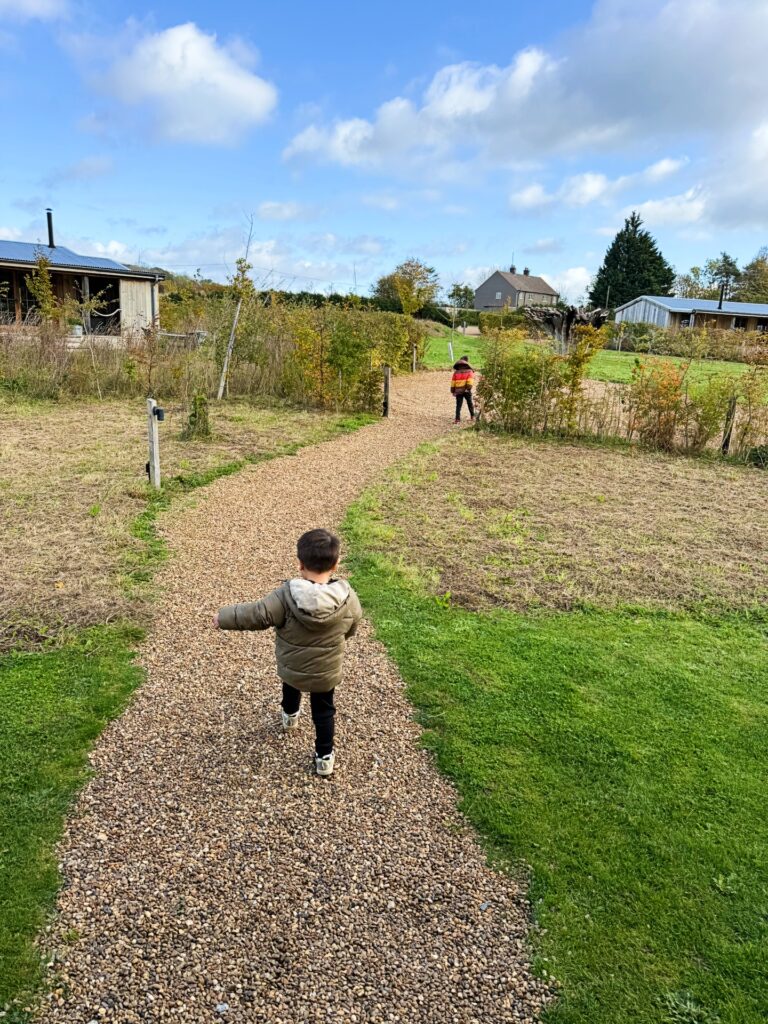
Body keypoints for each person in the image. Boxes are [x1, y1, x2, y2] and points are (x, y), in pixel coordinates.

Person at [214, 528, 362, 777]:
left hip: (293, 667)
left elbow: (257, 614)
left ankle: (290, 716)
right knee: (324, 710)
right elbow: (352, 627)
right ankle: (324, 758)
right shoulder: (348, 599)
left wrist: (224, 617)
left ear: (300, 564)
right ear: (336, 565)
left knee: (291, 687)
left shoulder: (286, 596)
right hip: (326, 671)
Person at [451, 355, 475, 424]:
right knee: (470, 403)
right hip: (466, 390)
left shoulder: (456, 372)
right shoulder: (470, 371)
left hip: (458, 391)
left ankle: (457, 419)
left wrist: (453, 391)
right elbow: (470, 381)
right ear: (467, 362)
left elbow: (453, 382)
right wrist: (468, 388)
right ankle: (472, 416)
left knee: (458, 405)